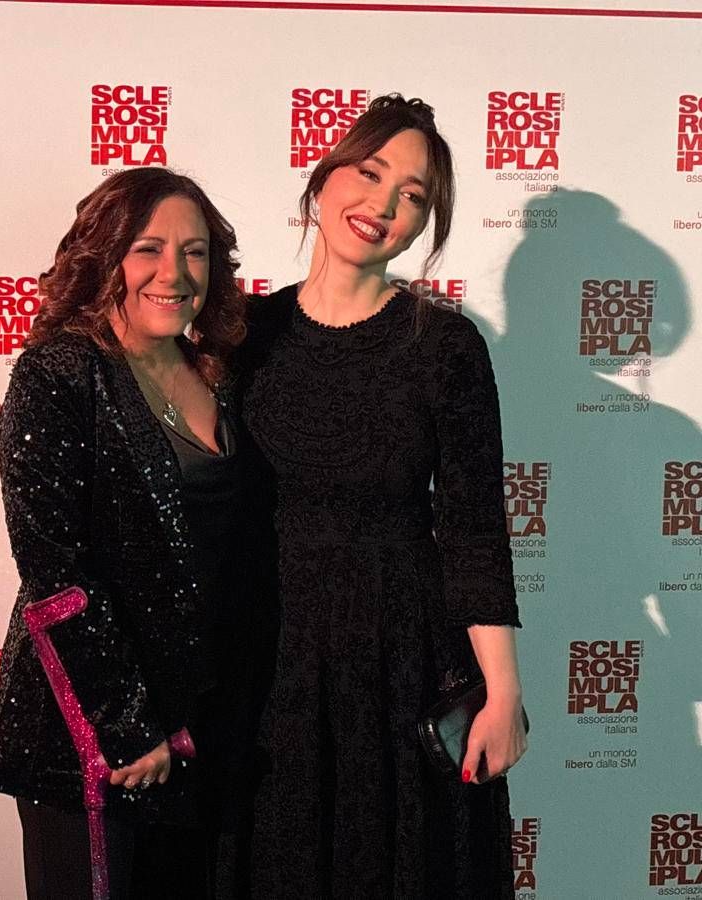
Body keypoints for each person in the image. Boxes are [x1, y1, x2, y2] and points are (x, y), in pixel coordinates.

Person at [240, 95, 527, 898]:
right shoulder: (242, 334)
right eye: (370, 174)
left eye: (413, 195)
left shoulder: (446, 346)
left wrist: (503, 690)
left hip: (400, 658)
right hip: (269, 658)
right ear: (324, 178)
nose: (385, 205)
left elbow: (472, 529)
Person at [0, 167, 270, 899]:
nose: (175, 273)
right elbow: (55, 573)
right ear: (104, 255)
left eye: (196, 252)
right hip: (93, 738)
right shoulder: (57, 373)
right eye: (149, 249)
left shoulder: (217, 370)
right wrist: (126, 726)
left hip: (202, 728)